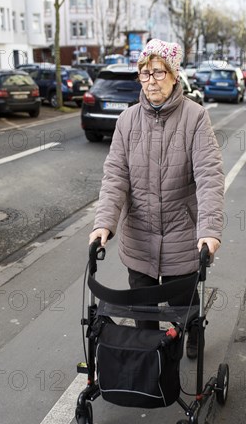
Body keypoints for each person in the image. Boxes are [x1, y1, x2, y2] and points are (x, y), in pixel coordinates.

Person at [89, 39, 224, 359]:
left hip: (182, 234)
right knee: (143, 312)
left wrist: (209, 230)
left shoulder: (196, 118)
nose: (151, 80)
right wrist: (103, 224)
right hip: (140, 238)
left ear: (174, 75)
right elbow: (115, 177)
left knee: (183, 304)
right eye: (145, 73)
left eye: (158, 72)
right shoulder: (127, 120)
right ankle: (148, 361)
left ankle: (194, 332)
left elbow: (209, 176)